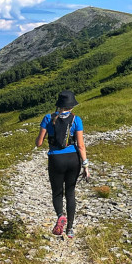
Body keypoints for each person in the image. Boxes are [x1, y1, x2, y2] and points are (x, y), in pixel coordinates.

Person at [35, 90, 90, 238]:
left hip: (55, 159)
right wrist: (85, 165)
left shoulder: (48, 118)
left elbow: (39, 143)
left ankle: (60, 216)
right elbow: (81, 145)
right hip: (73, 159)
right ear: (71, 106)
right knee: (70, 193)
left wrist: (41, 138)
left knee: (57, 192)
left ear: (59, 104)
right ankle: (70, 229)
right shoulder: (76, 120)